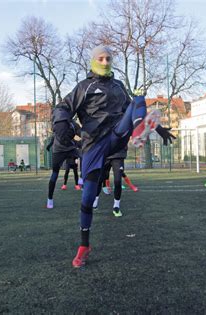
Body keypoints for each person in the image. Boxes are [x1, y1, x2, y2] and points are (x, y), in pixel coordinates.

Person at [52, 45, 175, 268]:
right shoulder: (84, 87)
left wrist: (158, 128)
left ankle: (139, 130)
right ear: (93, 61)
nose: (106, 62)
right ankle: (84, 246)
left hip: (117, 135)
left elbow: (134, 108)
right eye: (101, 58)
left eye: (109, 58)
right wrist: (61, 122)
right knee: (88, 198)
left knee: (138, 98)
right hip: (93, 145)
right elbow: (63, 107)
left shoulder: (118, 86)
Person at [46, 120, 82, 209]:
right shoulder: (58, 123)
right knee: (55, 173)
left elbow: (83, 135)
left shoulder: (73, 124)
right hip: (59, 151)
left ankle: (81, 179)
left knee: (85, 156)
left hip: (70, 149)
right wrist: (50, 145)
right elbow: (55, 133)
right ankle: (50, 199)